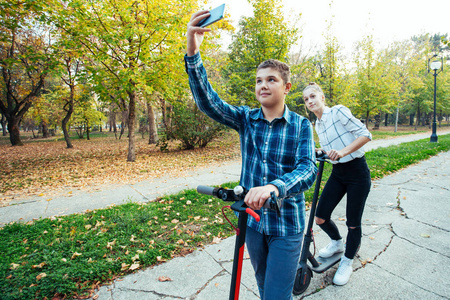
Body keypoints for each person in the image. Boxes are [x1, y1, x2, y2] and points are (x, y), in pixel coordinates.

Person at [185, 10, 317, 300]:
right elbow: (209, 102)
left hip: (287, 225)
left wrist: (274, 187)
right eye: (259, 81)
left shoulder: (300, 125)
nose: (263, 85)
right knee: (261, 283)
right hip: (254, 222)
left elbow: (308, 169)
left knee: (277, 295)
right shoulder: (246, 119)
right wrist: (192, 48)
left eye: (271, 80)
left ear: (286, 87)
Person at [302, 82, 372, 286]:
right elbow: (330, 149)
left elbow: (366, 134)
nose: (310, 101)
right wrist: (320, 152)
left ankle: (347, 262)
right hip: (338, 173)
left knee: (353, 223)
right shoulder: (318, 124)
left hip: (357, 172)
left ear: (322, 97)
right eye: (306, 100)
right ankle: (337, 243)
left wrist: (342, 152)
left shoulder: (338, 112)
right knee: (320, 217)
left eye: (313, 96)